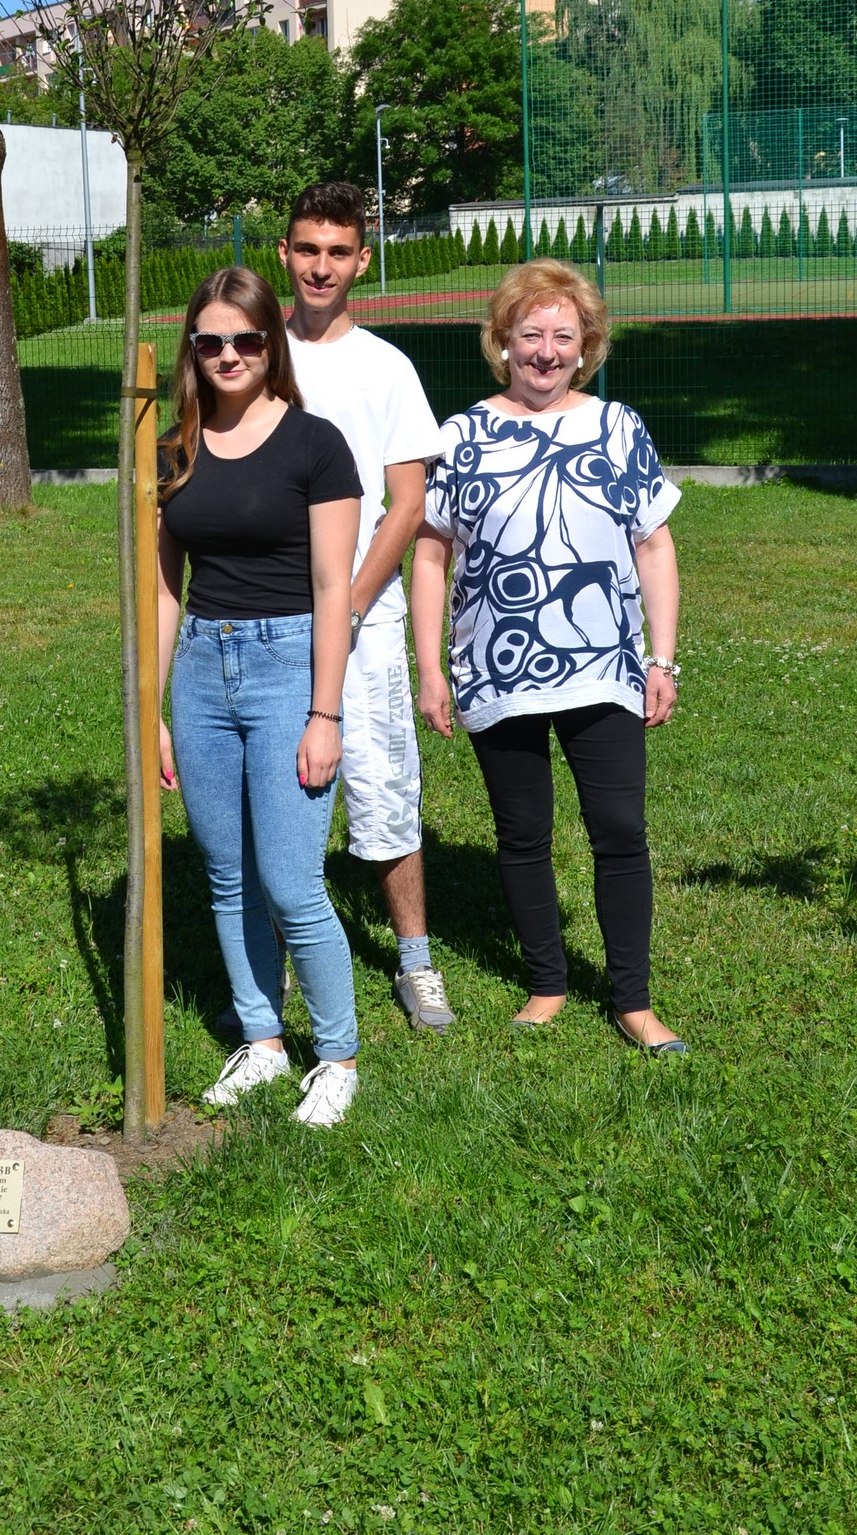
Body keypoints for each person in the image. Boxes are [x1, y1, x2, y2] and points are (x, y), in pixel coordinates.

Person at [411, 259, 686, 1054]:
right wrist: (430, 669)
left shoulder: (616, 427)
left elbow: (653, 545)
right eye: (530, 334)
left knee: (618, 829)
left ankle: (632, 1001)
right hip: (496, 666)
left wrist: (661, 660)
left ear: (586, 346)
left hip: (604, 665)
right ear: (502, 341)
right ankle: (546, 983)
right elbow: (429, 555)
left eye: (563, 336)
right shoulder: (459, 436)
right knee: (522, 832)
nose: (545, 350)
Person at [157, 266, 365, 1126]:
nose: (228, 354)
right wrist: (152, 711)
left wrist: (324, 714)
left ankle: (337, 1056)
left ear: (270, 343)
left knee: (289, 881)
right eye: (210, 340)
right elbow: (162, 588)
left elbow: (333, 588)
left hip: (288, 667)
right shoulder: (172, 449)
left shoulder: (315, 445)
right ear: (192, 349)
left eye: (245, 338)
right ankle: (263, 1040)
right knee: (227, 876)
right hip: (200, 668)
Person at [279, 181, 456, 1033]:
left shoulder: (387, 368)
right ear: (285, 254)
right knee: (277, 791)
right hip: (268, 615)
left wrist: (346, 607)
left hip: (365, 619)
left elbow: (408, 503)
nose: (321, 267)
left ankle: (414, 961)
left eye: (338, 252)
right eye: (308, 250)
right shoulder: (251, 354)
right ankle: (278, 958)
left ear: (361, 261)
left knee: (385, 785)